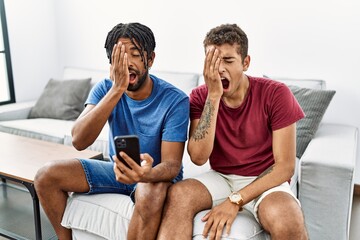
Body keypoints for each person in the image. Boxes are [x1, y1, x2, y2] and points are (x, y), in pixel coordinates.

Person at [34, 22, 189, 240]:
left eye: (135, 55)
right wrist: (117, 90)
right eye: (120, 56)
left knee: (150, 191)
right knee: (45, 176)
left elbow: (172, 166)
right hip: (117, 171)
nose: (127, 63)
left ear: (151, 59)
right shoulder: (107, 88)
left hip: (155, 176)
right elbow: (79, 140)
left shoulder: (175, 100)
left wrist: (146, 174)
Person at [158, 23, 309, 240]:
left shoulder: (276, 94)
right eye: (213, 61)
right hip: (222, 177)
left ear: (245, 63)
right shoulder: (201, 97)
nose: (219, 69)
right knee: (179, 194)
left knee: (287, 219)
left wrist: (235, 200)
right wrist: (214, 97)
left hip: (265, 179)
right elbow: (199, 158)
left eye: (228, 61)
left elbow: (285, 167)